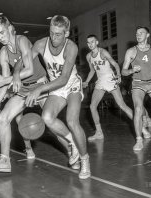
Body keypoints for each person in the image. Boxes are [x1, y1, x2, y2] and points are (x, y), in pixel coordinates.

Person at [0, 16, 79, 173]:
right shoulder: (3, 53)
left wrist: (8, 79)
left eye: (2, 32)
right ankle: (4, 161)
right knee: (2, 118)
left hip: (41, 86)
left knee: (50, 123)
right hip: (24, 89)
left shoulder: (22, 40)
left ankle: (73, 150)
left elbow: (30, 69)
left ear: (10, 29)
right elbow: (5, 82)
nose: (0, 37)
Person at [24, 15, 91, 179]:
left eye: (58, 34)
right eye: (51, 32)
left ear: (66, 33)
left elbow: (64, 79)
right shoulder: (41, 44)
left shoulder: (71, 47)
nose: (54, 37)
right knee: (47, 117)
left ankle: (85, 159)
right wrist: (16, 77)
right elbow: (25, 60)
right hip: (55, 86)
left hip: (71, 84)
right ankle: (73, 143)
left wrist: (38, 89)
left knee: (72, 121)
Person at [83, 34, 137, 141]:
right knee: (92, 107)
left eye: (92, 42)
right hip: (100, 81)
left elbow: (115, 64)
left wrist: (118, 75)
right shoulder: (88, 56)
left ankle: (140, 128)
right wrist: (86, 81)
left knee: (122, 105)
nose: (90, 44)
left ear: (97, 42)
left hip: (109, 78)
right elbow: (92, 70)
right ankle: (99, 133)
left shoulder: (103, 52)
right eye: (88, 42)